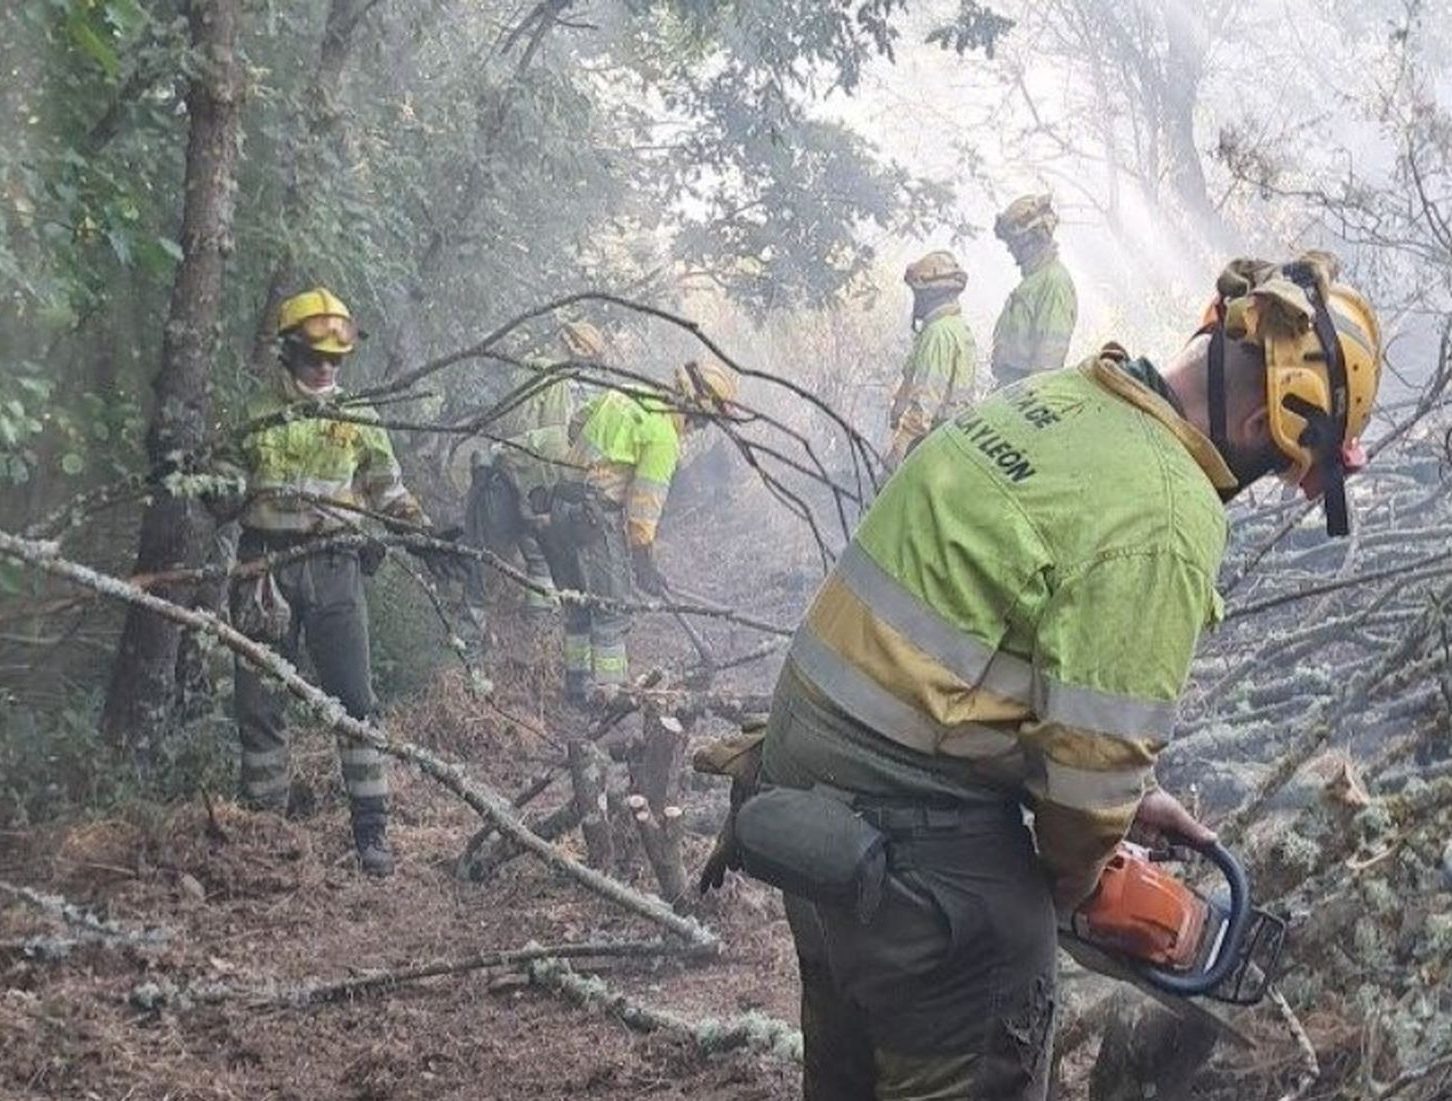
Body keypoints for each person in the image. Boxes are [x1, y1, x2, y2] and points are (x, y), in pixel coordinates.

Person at [744, 255, 1381, 1098]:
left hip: (804, 792)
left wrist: (1125, 801)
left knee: (851, 1069)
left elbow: (971, 650)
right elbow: (1085, 787)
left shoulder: (1058, 400)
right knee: (989, 1006)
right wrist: (1084, 878)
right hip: (911, 854)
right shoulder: (1164, 508)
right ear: (1276, 422)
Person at [225, 286, 441, 878]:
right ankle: (265, 832)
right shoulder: (252, 415)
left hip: (337, 570)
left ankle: (371, 833)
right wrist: (199, 480)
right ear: (288, 353)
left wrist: (423, 532)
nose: (325, 368)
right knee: (260, 703)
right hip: (264, 570)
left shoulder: (359, 417)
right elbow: (224, 489)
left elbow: (387, 490)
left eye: (335, 359)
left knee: (354, 700)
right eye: (313, 356)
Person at [544, 358, 738, 702]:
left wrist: (595, 466)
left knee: (577, 605)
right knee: (612, 610)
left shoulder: (628, 392)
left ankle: (577, 690)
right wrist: (643, 560)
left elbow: (576, 423)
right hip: (592, 518)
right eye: (706, 422)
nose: (699, 429)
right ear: (698, 408)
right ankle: (610, 698)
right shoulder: (663, 437)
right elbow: (643, 512)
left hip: (560, 505)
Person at [459, 323, 597, 646]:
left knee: (489, 565)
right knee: (534, 561)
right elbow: (552, 441)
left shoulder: (528, 368)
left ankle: (472, 646)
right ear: (579, 352)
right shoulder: (557, 380)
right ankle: (533, 637)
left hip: (507, 476)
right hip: (528, 483)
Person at [885, 250, 979, 470]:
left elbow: (924, 404)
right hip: (950, 442)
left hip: (931, 445)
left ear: (929, 294)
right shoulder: (957, 327)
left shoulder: (938, 334)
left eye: (918, 293)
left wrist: (897, 452)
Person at [990, 193, 1078, 388]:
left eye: (1013, 242)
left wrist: (1028, 401)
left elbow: (1048, 361)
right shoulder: (1034, 281)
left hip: (1023, 395)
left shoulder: (1054, 281)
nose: (1010, 249)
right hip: (1010, 391)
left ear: (1031, 238)